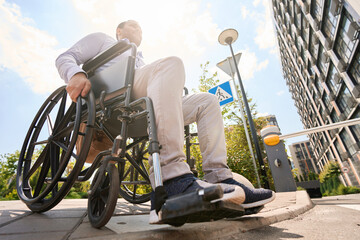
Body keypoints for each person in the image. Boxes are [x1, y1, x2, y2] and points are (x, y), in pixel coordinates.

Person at [56, 20, 275, 223]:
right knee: (170, 64)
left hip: (139, 101)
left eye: (141, 28)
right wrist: (75, 74)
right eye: (133, 26)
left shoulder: (140, 60)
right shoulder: (103, 40)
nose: (139, 29)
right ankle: (172, 179)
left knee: (207, 101)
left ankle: (220, 179)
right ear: (119, 31)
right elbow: (65, 57)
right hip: (111, 98)